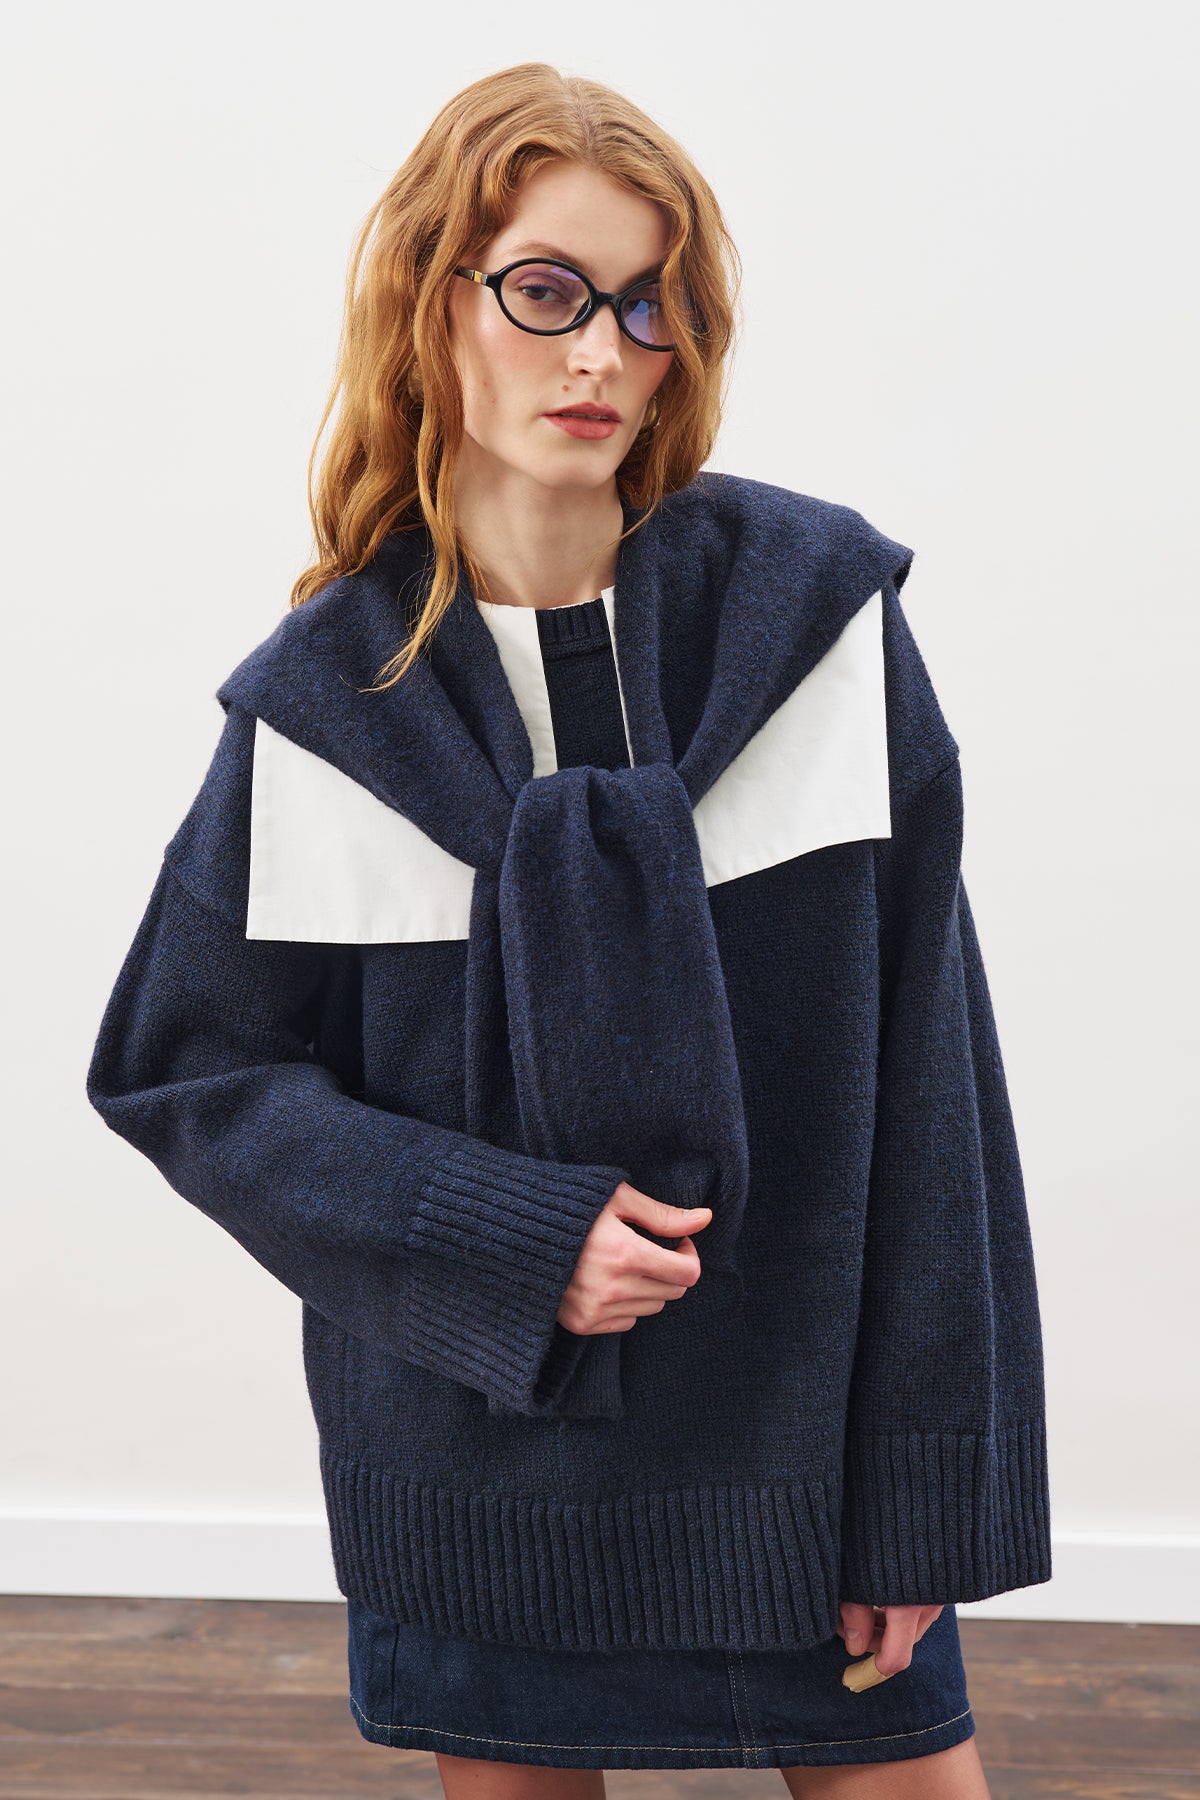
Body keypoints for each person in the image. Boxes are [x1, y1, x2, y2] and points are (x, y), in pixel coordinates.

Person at [86, 62, 1051, 1799]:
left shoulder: (818, 627)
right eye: (548, 291)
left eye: (647, 305)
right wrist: (512, 1245)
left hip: (803, 1474)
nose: (600, 352)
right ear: (432, 300)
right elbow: (184, 1071)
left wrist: (926, 1497)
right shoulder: (330, 707)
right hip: (479, 1480)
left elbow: (933, 1084)